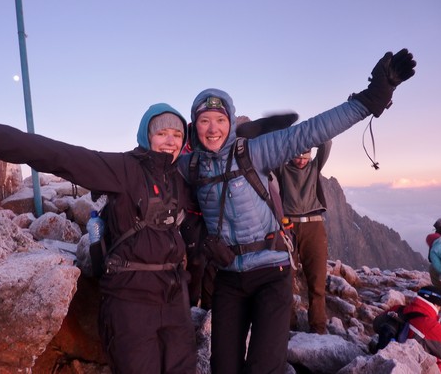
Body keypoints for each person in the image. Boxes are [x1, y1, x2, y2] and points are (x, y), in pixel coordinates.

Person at [176, 48, 416, 373]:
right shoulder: (189, 166)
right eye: (205, 120)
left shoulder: (255, 152)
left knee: (264, 366)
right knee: (223, 367)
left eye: (220, 120)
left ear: (230, 123)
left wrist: (372, 98)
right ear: (195, 126)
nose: (213, 128)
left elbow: (311, 131)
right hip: (228, 278)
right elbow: (146, 173)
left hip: (271, 274)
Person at [0, 105, 197, 373]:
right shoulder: (124, 168)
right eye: (162, 133)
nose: (170, 141)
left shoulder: (180, 178)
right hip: (131, 299)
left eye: (177, 134)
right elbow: (60, 156)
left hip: (174, 300)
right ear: (146, 135)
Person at [275, 140, 332, 334]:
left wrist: (311, 134)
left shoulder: (315, 167)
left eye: (305, 156)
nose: (301, 161)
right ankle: (288, 327)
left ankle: (318, 328)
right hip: (288, 226)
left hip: (314, 226)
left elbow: (327, 142)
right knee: (285, 280)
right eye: (297, 156)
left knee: (316, 281)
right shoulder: (282, 167)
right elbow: (273, 148)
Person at [374, 286, 441, 373]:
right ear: (436, 305)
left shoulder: (398, 309)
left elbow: (376, 324)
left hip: (388, 361)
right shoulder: (430, 326)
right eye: (440, 307)